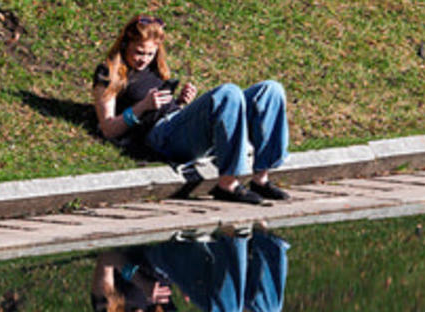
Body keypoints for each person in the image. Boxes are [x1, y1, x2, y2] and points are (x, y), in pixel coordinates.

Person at [92, 15, 291, 205]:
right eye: (139, 52)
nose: (144, 59)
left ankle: (261, 179)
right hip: (159, 136)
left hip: (175, 123)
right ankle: (227, 184)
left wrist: (180, 102)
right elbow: (108, 128)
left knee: (270, 90)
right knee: (228, 93)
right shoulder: (108, 73)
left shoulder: (153, 68)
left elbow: (164, 108)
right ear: (126, 44)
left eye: (150, 54)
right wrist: (141, 107)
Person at [91, 224, 290, 312]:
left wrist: (141, 283)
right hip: (185, 268)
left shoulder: (107, 307)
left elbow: (107, 258)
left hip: (159, 258)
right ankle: (265, 241)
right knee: (268, 310)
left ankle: (235, 239)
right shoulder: (158, 310)